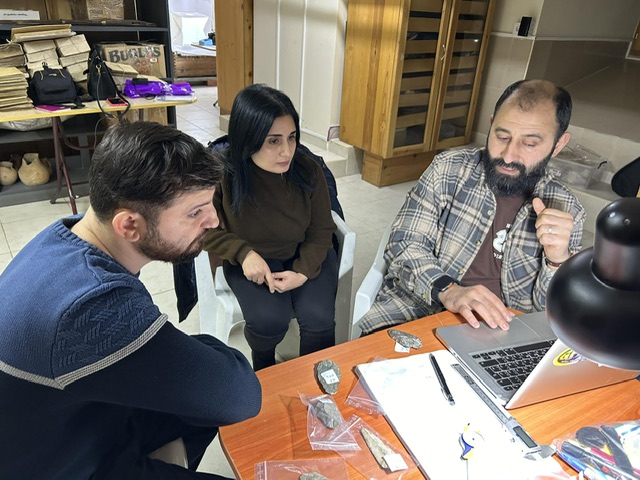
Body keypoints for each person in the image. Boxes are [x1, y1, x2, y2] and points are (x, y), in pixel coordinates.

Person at [0, 122, 262, 480]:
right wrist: (204, 351)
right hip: (58, 462)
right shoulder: (91, 306)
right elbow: (240, 396)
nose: (214, 221)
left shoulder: (65, 236)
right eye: (195, 212)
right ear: (128, 225)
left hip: (76, 421)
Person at [358, 79, 586, 335]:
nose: (508, 156)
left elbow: (552, 314)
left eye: (530, 144)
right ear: (491, 124)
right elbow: (404, 243)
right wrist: (449, 290)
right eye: (502, 136)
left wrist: (557, 260)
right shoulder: (448, 169)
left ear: (558, 144)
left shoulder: (567, 209)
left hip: (506, 333)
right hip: (417, 311)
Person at [203, 84, 338, 371]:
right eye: (273, 141)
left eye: (292, 137)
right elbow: (202, 229)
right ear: (248, 138)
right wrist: (243, 253)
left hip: (305, 251)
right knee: (268, 321)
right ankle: (264, 368)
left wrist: (302, 271)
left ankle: (315, 380)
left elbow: (322, 229)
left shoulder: (308, 169)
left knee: (319, 319)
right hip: (253, 259)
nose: (287, 151)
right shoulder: (222, 172)